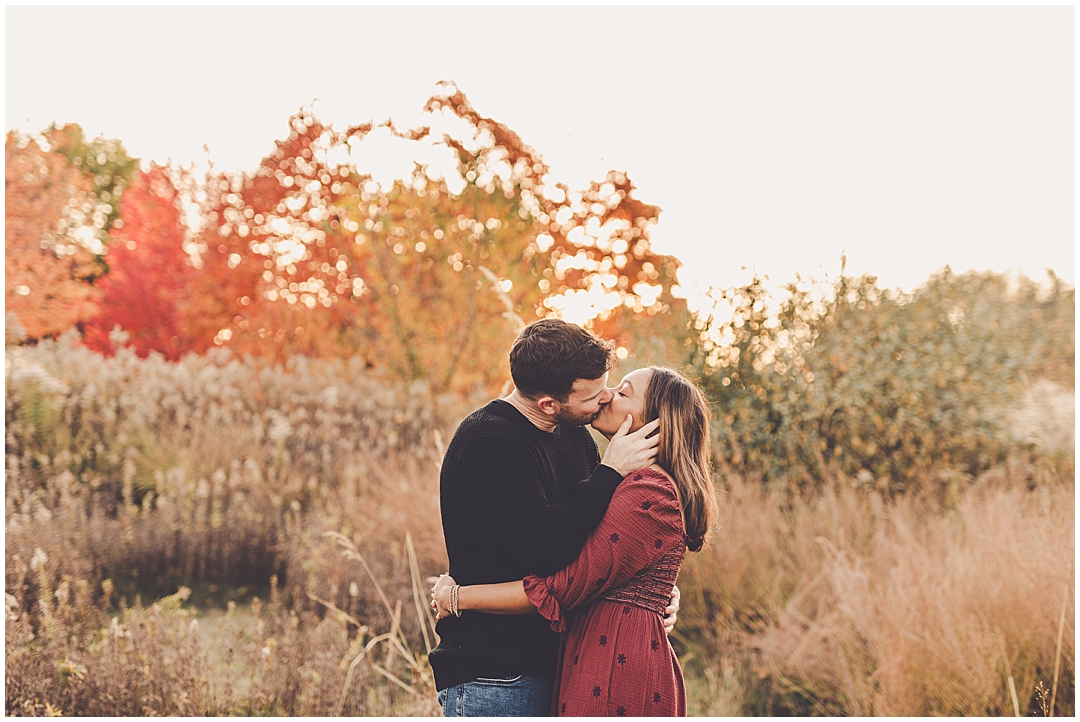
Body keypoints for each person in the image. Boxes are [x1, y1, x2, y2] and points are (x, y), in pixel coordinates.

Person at [433, 366, 718, 716]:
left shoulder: (647, 488)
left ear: (656, 423)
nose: (609, 395)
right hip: (542, 663)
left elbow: (569, 582)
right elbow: (592, 550)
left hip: (615, 664)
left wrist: (457, 596)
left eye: (623, 391)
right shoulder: (616, 474)